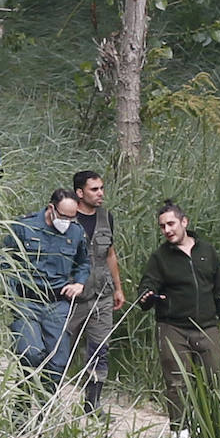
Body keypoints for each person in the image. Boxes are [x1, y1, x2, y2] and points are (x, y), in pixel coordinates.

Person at [136, 200, 220, 438]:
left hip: (207, 325)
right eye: (162, 226)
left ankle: (213, 426)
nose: (167, 230)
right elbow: (147, 286)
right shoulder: (160, 258)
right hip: (173, 326)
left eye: (171, 224)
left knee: (215, 377)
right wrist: (147, 295)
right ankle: (180, 431)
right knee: (177, 381)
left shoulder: (207, 252)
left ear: (184, 222)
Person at [4, 189, 90, 392]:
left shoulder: (76, 232)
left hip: (57, 304)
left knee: (57, 363)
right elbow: (5, 262)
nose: (67, 222)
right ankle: (22, 410)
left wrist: (79, 283)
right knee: (30, 354)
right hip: (26, 301)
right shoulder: (25, 226)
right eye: (63, 216)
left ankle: (44, 413)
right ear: (51, 208)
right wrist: (10, 298)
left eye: (72, 217)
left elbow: (83, 263)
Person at [65, 170, 126, 415]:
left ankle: (93, 403)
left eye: (101, 188)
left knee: (100, 348)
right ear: (80, 193)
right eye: (94, 189)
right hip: (71, 295)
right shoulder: (67, 216)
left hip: (101, 293)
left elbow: (110, 253)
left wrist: (118, 288)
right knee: (59, 347)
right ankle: (46, 396)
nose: (100, 193)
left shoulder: (106, 217)